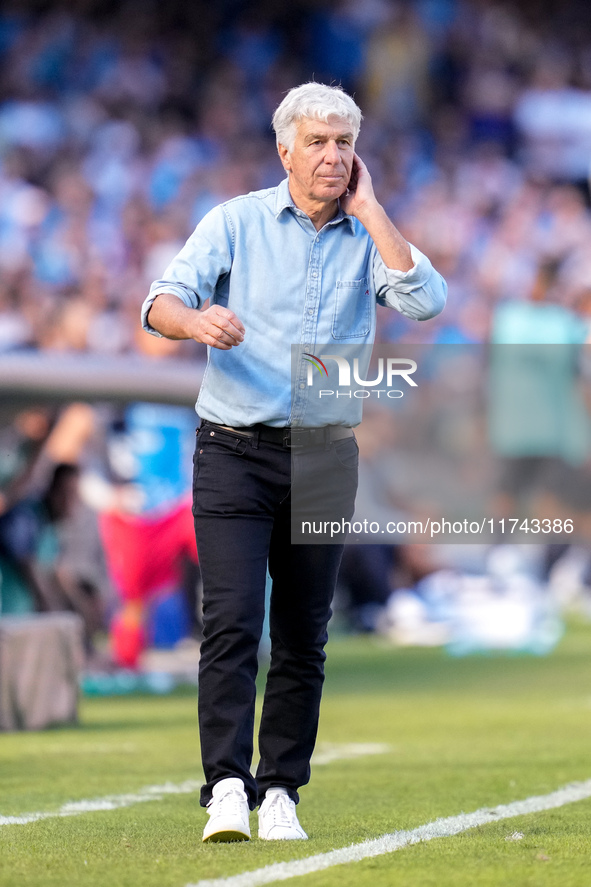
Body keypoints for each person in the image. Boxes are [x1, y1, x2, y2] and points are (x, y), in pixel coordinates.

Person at [141, 82, 446, 843]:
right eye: (317, 142)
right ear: (284, 149)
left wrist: (373, 210)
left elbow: (425, 300)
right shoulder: (235, 222)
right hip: (233, 451)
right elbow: (159, 301)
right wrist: (196, 321)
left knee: (305, 633)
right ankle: (224, 788)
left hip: (320, 455)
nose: (332, 157)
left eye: (344, 144)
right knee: (233, 623)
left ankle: (281, 788)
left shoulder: (365, 237)